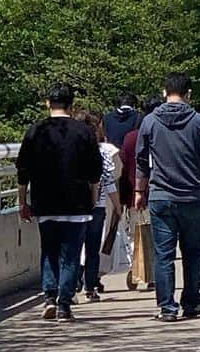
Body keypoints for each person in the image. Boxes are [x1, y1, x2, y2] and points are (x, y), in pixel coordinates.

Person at [135, 72, 200, 322]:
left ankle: (167, 307)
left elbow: (140, 159)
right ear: (188, 94)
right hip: (194, 196)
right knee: (193, 252)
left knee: (164, 254)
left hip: (161, 195)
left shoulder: (150, 122)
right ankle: (192, 302)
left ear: (164, 92)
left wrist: (140, 190)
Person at [16, 82, 102, 322]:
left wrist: (23, 201)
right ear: (71, 105)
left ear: (47, 103)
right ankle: (65, 305)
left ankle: (49, 297)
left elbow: (23, 170)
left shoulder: (36, 131)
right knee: (71, 256)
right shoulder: (83, 132)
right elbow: (95, 171)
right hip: (77, 204)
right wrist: (93, 198)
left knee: (49, 252)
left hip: (45, 203)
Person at [74, 111, 122, 301]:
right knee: (93, 248)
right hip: (98, 205)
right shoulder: (102, 150)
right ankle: (90, 287)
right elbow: (109, 181)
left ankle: (73, 284)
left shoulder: (73, 149)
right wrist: (117, 206)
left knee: (74, 247)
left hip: (75, 205)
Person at [120, 95, 161, 290]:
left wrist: (126, 196)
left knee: (135, 234)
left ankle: (135, 270)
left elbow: (123, 166)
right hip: (160, 191)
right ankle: (151, 276)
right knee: (155, 234)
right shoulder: (163, 134)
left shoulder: (130, 138)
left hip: (135, 194)